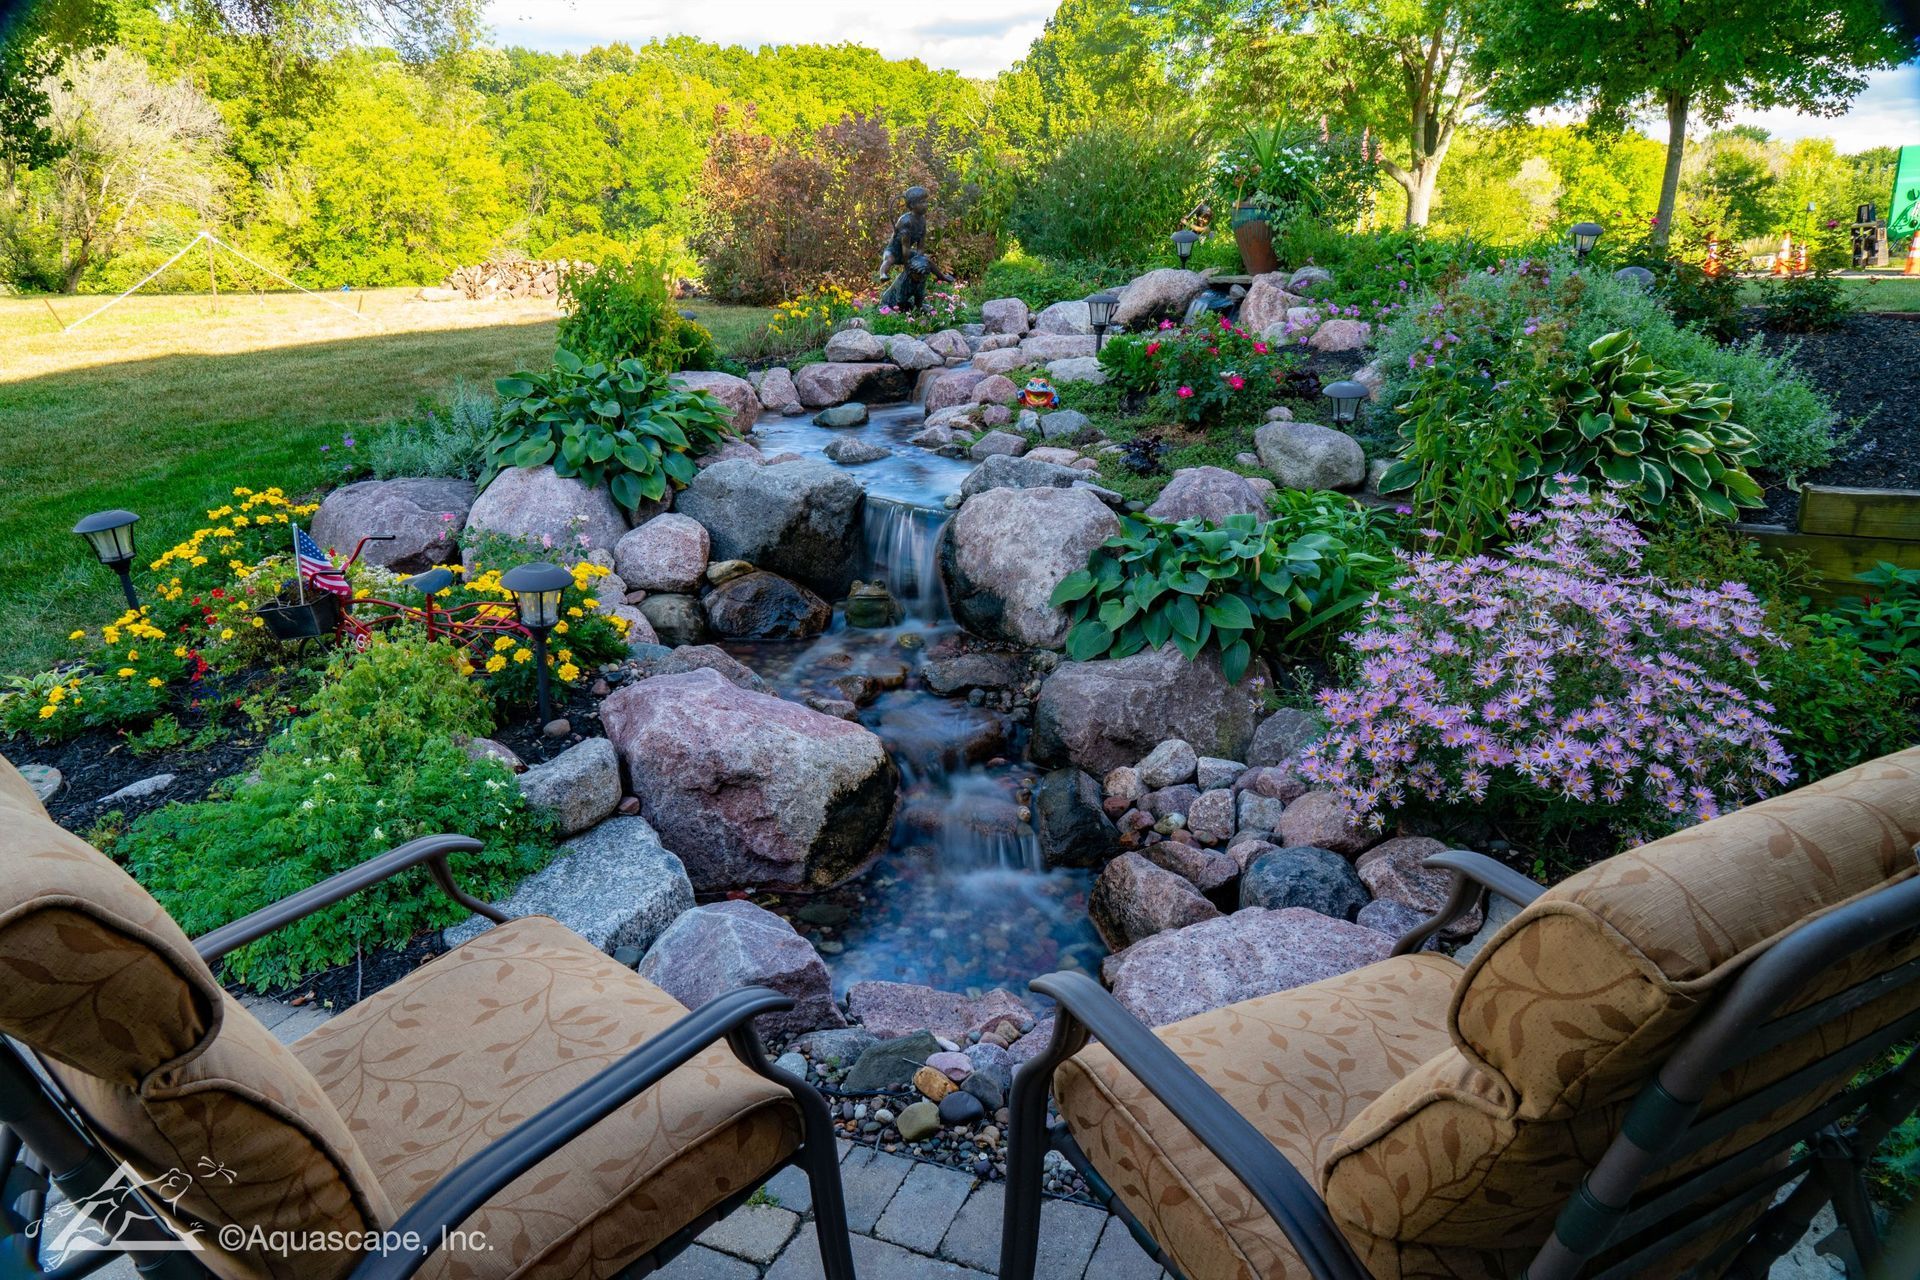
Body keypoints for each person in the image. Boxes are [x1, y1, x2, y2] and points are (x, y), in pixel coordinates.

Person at [876, 187, 952, 311]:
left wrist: (919, 259)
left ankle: (941, 276)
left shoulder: (922, 221)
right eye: (922, 202)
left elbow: (921, 245)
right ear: (912, 205)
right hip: (895, 250)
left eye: (926, 201)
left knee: (926, 260)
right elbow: (905, 248)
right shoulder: (906, 221)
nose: (926, 205)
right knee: (888, 259)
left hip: (906, 252)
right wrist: (908, 267)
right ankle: (883, 273)